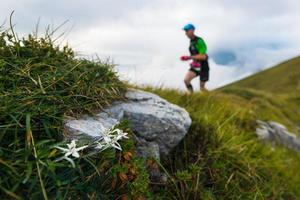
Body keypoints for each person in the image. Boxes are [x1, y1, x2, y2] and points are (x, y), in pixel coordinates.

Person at [180, 23, 209, 93]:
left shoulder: (199, 41)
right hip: (195, 66)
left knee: (202, 88)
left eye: (187, 31)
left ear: (192, 30)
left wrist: (189, 57)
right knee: (186, 80)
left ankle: (213, 98)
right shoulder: (191, 41)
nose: (185, 33)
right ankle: (191, 96)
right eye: (185, 31)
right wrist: (192, 60)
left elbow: (203, 56)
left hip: (203, 67)